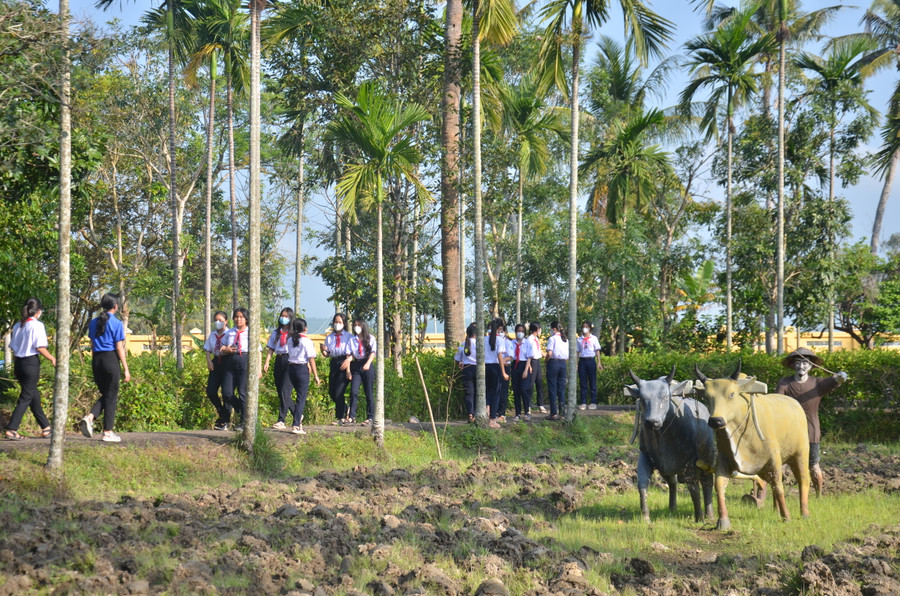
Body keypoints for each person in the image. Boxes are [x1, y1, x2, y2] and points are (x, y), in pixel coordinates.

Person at [775, 347, 847, 497]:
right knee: (781, 465)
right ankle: (779, 495)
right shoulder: (784, 384)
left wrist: (841, 377)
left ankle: (819, 495)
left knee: (813, 466)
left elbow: (835, 381)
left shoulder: (817, 384)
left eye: (805, 363)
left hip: (810, 431)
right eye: (798, 363)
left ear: (812, 366)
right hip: (788, 432)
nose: (801, 366)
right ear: (792, 365)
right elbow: (777, 403)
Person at [80, 293, 131, 442]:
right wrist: (126, 368)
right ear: (115, 306)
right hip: (110, 360)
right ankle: (107, 432)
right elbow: (119, 347)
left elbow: (92, 344)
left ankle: (90, 417)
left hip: (96, 360)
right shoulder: (116, 323)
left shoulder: (93, 322)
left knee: (107, 395)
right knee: (111, 396)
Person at [5, 298, 56, 440]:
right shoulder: (37, 325)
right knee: (26, 397)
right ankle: (12, 428)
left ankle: (46, 427)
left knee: (33, 395)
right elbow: (39, 347)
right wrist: (52, 358)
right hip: (30, 363)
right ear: (38, 311)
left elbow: (13, 348)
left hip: (19, 363)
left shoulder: (18, 326)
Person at [286, 317, 320, 435]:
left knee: (288, 395)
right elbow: (311, 359)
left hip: (291, 368)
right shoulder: (307, 341)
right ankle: (296, 425)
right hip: (301, 369)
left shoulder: (290, 340)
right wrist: (316, 375)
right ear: (305, 329)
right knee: (301, 397)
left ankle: (297, 418)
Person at [264, 307, 295, 429]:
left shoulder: (293, 333)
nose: (284, 318)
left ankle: (281, 419)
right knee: (280, 391)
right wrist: (267, 362)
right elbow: (271, 348)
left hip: (290, 360)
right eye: (282, 316)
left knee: (285, 390)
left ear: (291, 318)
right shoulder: (276, 332)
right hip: (279, 359)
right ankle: (297, 412)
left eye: (286, 316)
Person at [220, 307, 250, 431]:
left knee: (243, 393)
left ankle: (244, 421)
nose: (238, 319)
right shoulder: (229, 332)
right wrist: (226, 349)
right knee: (226, 393)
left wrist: (259, 369)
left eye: (241, 317)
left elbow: (258, 350)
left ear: (246, 319)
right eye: (236, 317)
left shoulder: (250, 333)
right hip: (230, 361)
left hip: (244, 360)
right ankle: (241, 410)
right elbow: (221, 348)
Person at [320, 313, 352, 424]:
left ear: (344, 324)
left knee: (339, 391)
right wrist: (322, 350)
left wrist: (348, 366)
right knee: (332, 391)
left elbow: (352, 352)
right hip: (334, 362)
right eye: (335, 322)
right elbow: (327, 354)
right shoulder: (329, 337)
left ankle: (340, 417)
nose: (337, 324)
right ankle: (345, 408)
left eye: (339, 322)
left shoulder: (349, 337)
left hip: (345, 361)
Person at [204, 310, 232, 430]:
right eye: (216, 320)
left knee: (226, 393)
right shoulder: (213, 335)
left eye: (220, 320)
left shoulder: (230, 333)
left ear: (226, 321)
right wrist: (209, 361)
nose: (218, 322)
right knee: (211, 391)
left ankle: (225, 421)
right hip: (216, 362)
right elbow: (207, 349)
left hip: (227, 362)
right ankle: (222, 414)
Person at [346, 318, 376, 425]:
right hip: (356, 364)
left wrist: (368, 363)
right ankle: (352, 416)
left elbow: (373, 352)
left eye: (359, 325)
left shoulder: (370, 338)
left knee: (369, 392)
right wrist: (348, 371)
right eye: (355, 325)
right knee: (354, 391)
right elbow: (349, 355)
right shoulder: (352, 340)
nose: (356, 327)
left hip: (367, 363)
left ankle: (370, 417)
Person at [484, 318, 508, 429]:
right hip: (495, 367)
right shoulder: (500, 340)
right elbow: (499, 356)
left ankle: (487, 408)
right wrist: (503, 372)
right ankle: (492, 419)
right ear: (500, 328)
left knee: (488, 391)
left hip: (485, 367)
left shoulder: (484, 339)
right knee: (496, 393)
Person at [576, 321, 603, 410]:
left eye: (587, 326)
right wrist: (576, 364)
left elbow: (597, 350)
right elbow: (577, 352)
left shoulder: (594, 338)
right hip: (582, 361)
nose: (585, 328)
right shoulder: (579, 339)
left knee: (592, 382)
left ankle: (593, 402)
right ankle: (583, 402)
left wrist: (599, 362)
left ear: (590, 328)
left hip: (591, 360)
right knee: (583, 382)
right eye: (583, 326)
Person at [509, 323, 534, 421]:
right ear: (515, 332)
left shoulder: (527, 343)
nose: (520, 333)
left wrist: (526, 370)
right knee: (516, 390)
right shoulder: (511, 343)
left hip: (524, 365)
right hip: (515, 365)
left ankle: (527, 411)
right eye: (518, 331)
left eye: (522, 331)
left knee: (524, 389)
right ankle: (518, 413)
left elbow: (529, 357)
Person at [545, 320, 568, 421]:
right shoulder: (565, 339)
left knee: (552, 388)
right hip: (563, 363)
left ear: (554, 329)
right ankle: (562, 413)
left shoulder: (552, 339)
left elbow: (549, 353)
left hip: (553, 363)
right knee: (561, 389)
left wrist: (546, 360)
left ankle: (553, 413)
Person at [454, 324, 477, 422]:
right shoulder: (480, 344)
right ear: (476, 333)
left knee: (469, 393)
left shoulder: (463, 345)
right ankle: (477, 414)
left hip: (466, 369)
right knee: (478, 392)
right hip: (478, 369)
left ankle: (470, 414)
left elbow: (456, 359)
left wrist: (460, 363)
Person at [528, 322, 547, 413]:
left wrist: (544, 354)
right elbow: (529, 353)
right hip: (532, 361)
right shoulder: (530, 339)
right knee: (531, 384)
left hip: (538, 361)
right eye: (539, 328)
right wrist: (529, 365)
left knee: (539, 383)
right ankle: (528, 405)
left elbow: (538, 351)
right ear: (536, 329)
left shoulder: (536, 339)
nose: (540, 330)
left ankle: (540, 404)